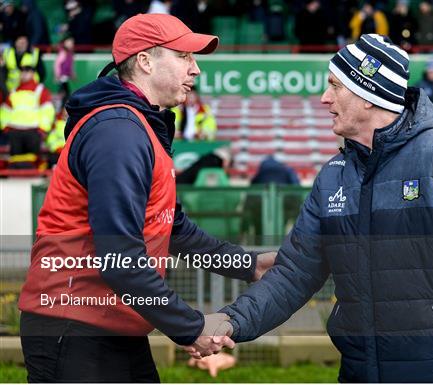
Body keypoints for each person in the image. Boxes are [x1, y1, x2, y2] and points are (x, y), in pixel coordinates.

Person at [186, 34, 433, 382]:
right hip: (360, 371)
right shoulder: (333, 176)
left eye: (335, 86)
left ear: (368, 95)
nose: (324, 98)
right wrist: (231, 320)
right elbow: (294, 273)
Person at [17, 13, 275, 382]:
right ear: (144, 61)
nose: (196, 69)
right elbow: (121, 258)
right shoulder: (119, 131)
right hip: (74, 325)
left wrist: (248, 265)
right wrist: (190, 326)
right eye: (184, 56)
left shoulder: (137, 125)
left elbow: (172, 226)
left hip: (107, 324)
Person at [0, 65, 54, 168]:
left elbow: (48, 111)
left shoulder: (40, 90)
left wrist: (42, 130)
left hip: (33, 132)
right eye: (22, 71)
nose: (24, 74)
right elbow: (5, 111)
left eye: (27, 71)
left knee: (31, 163)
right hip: (15, 132)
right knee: (15, 163)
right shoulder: (14, 91)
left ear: (33, 74)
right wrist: (6, 128)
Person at [54, 36, 76, 110]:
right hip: (62, 77)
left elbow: (70, 66)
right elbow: (57, 64)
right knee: (64, 93)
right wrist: (57, 75)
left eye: (72, 43)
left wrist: (72, 74)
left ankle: (61, 108)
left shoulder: (70, 53)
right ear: (64, 43)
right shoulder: (63, 52)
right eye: (69, 42)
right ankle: (60, 108)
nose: (71, 44)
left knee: (65, 92)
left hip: (66, 77)